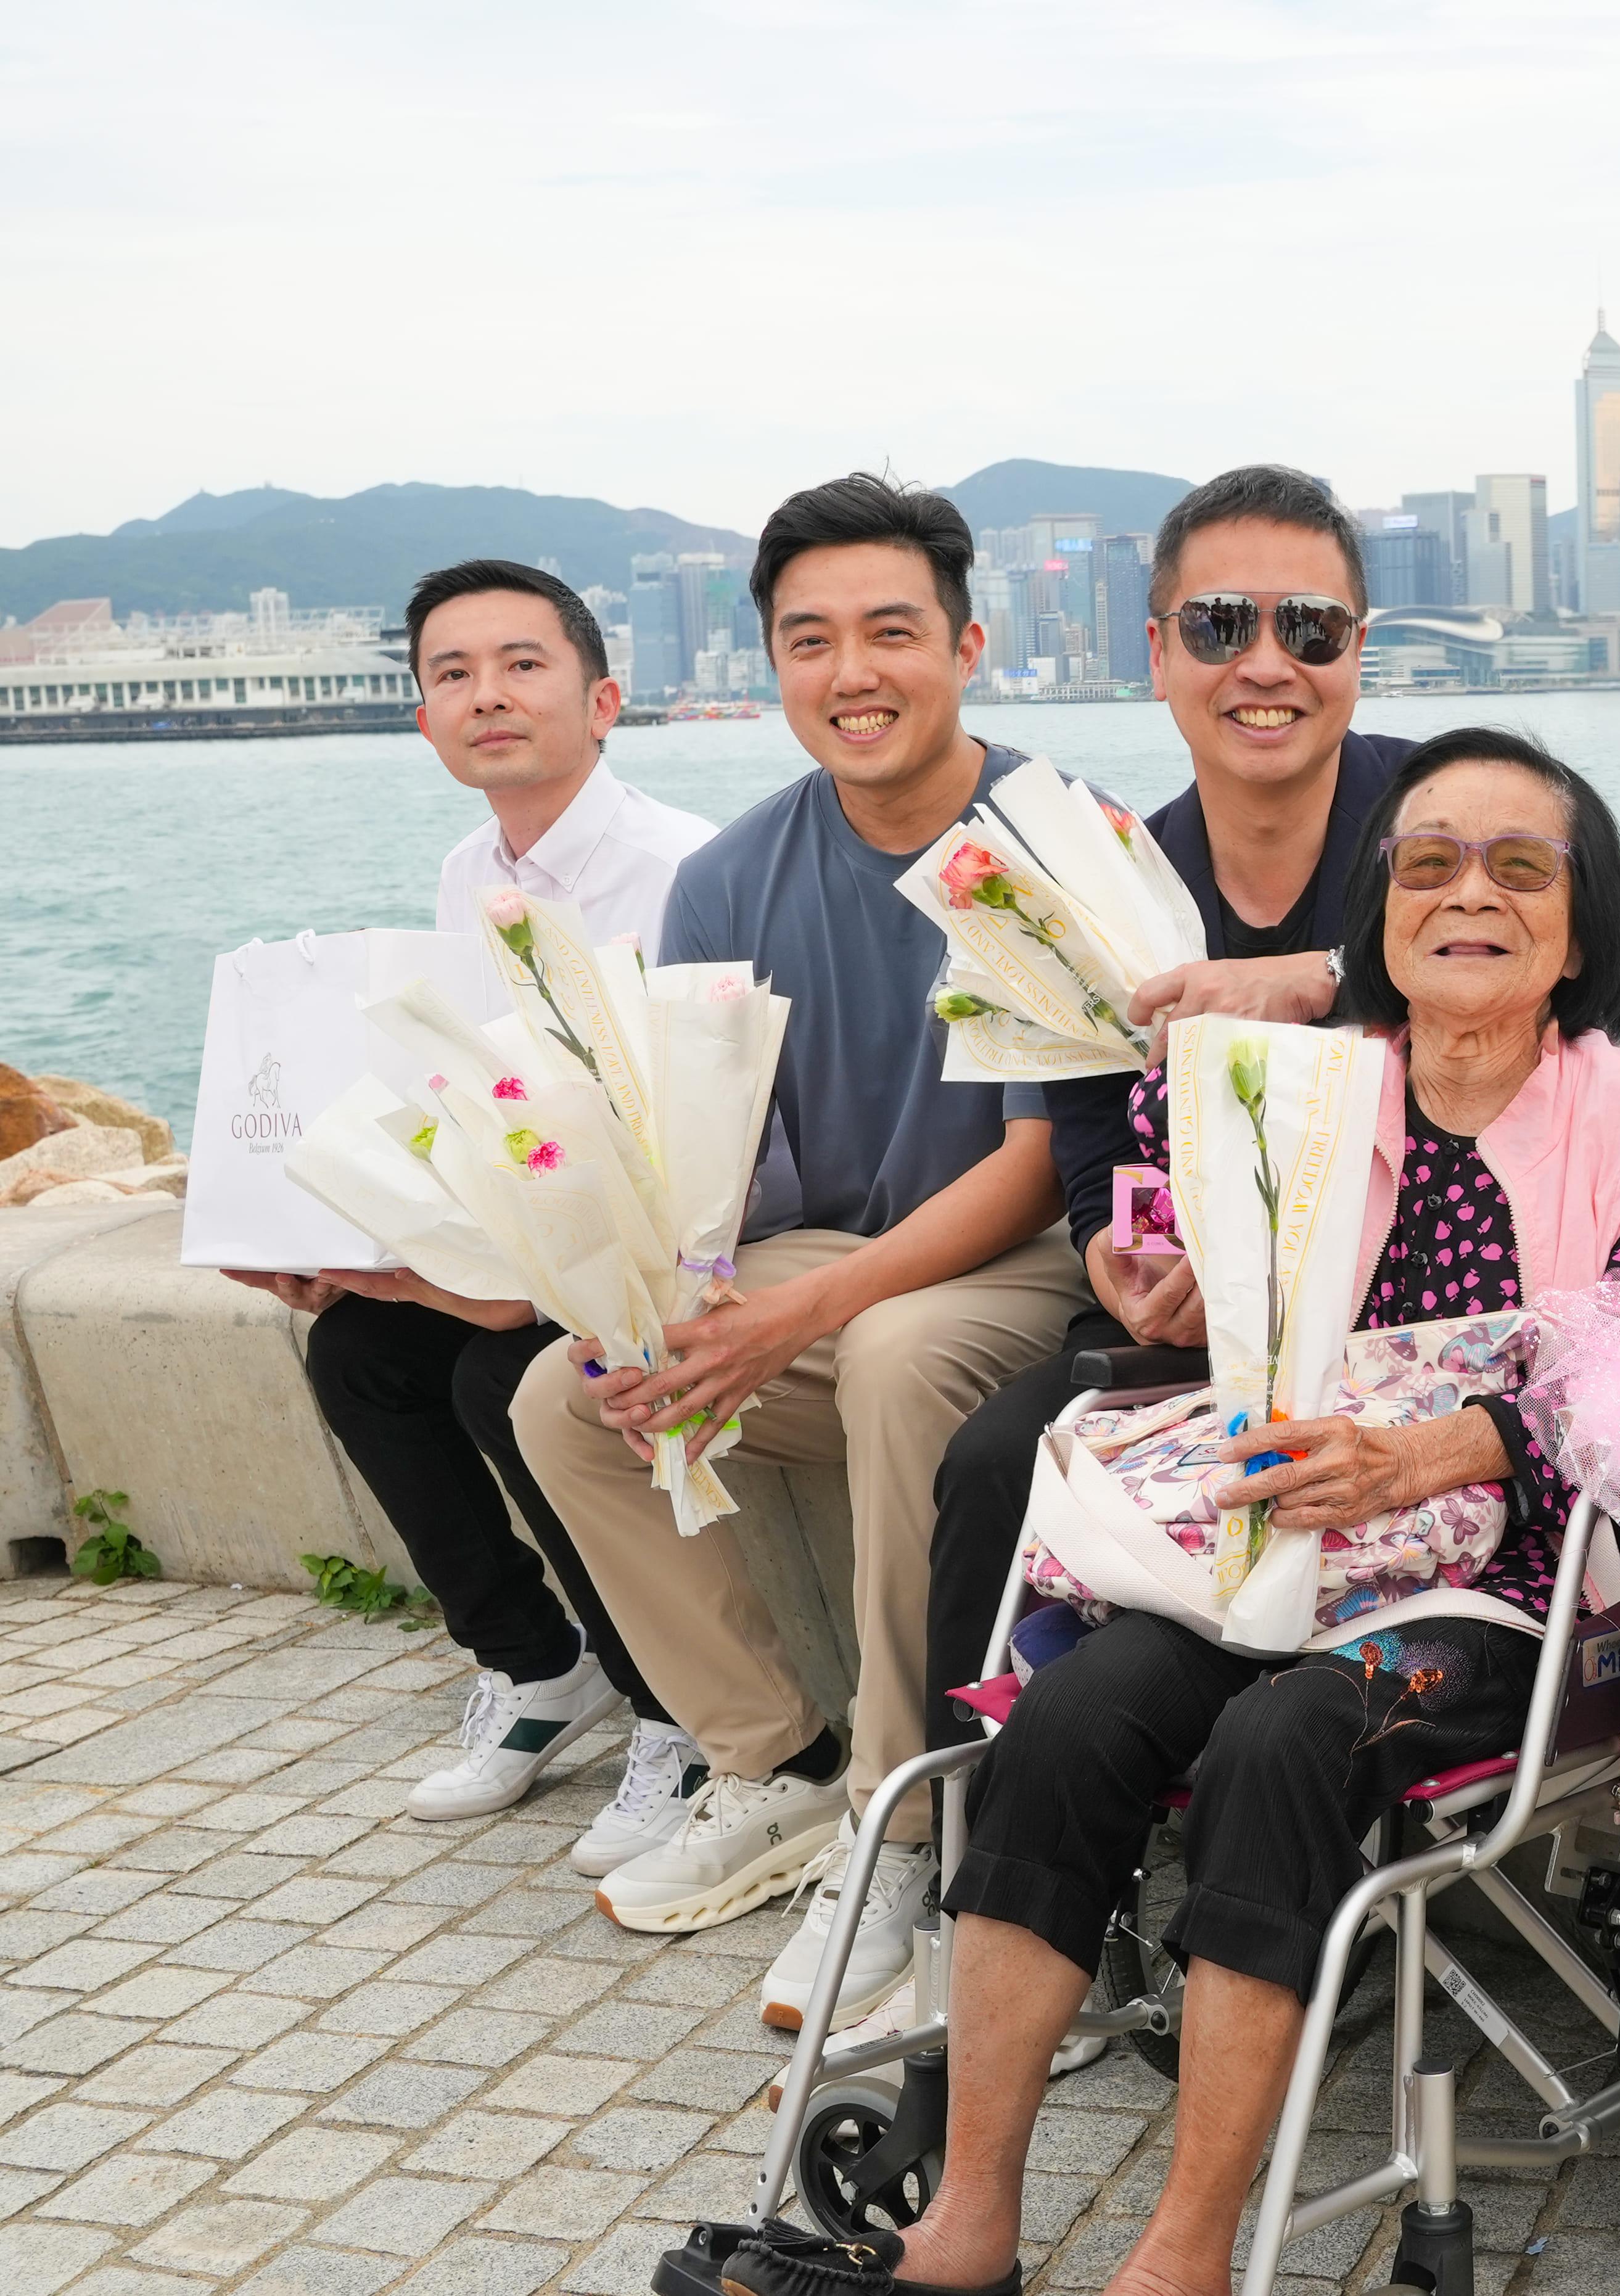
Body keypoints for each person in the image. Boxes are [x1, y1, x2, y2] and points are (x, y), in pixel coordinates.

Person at [731, 730, 1620, 2296]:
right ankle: (969, 2223)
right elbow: (1190, 1282)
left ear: (1580, 924)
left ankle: (1184, 2257)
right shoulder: (1298, 1093)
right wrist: (1167, 1281)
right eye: (1428, 861)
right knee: (1070, 1717)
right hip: (1277, 1549)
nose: (1468, 893)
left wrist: (1432, 1455)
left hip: (1515, 1590)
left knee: (1286, 1741)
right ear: (1378, 911)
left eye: (1519, 866)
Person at [510, 476, 1088, 2031]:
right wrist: (647, 1288)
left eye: (891, 631)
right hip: (837, 1255)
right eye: (809, 640)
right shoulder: (729, 877)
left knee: (898, 1354)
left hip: (1030, 1255)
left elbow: (1040, 1164)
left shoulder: (1047, 842)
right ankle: (775, 1757)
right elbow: (707, 1156)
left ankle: (905, 1816)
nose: (853, 672)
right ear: (772, 664)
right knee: (570, 1395)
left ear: (966, 646)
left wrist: (808, 1305)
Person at [223, 559, 715, 1869]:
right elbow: (466, 1095)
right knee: (360, 1351)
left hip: (673, 1246)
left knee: (512, 1374)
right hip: (532, 1234)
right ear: (425, 718)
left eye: (521, 664)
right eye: (453, 674)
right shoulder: (466, 870)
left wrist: (518, 1286)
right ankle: (540, 1664)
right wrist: (355, 1246)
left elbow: (706, 1130)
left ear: (602, 699)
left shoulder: (682, 869)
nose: (487, 695)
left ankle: (675, 1706)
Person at [921, 464, 1409, 1785]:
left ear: (1358, 651)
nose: (1267, 663)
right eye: (1220, 625)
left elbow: (1558, 982)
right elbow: (1096, 1148)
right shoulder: (1108, 883)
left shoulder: (1440, 820)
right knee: (995, 1461)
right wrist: (1116, 1259)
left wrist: (1315, 976)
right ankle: (955, 1810)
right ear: (1157, 652)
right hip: (1196, 1341)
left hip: (1417, 1328)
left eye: (1310, 627)